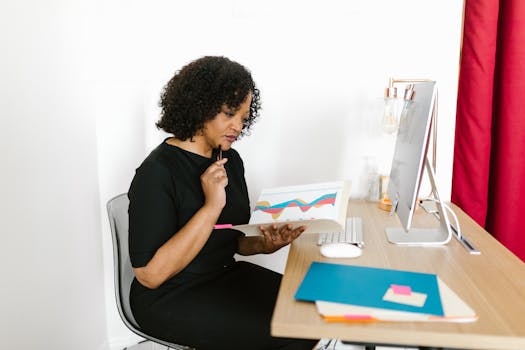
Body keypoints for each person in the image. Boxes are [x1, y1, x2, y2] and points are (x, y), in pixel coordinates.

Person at [128, 56, 318, 350]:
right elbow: (150, 276)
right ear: (201, 105)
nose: (237, 126)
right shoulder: (158, 172)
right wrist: (210, 206)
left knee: (312, 311)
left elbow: (230, 239)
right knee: (293, 332)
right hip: (170, 297)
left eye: (243, 117)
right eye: (229, 113)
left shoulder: (229, 159)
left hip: (222, 276)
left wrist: (264, 245)